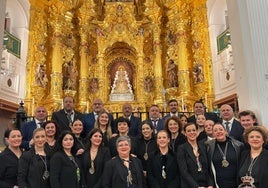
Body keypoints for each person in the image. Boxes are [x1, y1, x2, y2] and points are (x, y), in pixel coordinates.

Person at [206, 123, 244, 188]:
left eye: (221, 129)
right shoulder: (208, 147)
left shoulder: (238, 145)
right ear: (213, 134)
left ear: (225, 131)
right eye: (215, 130)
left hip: (236, 184)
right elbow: (208, 168)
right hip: (218, 184)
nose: (218, 132)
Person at [177, 123, 214, 188]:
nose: (192, 132)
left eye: (194, 130)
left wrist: (210, 184)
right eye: (189, 131)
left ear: (197, 132)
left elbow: (209, 168)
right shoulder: (181, 149)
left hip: (206, 185)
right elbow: (184, 172)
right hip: (190, 185)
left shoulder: (203, 146)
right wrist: (196, 187)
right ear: (185, 133)